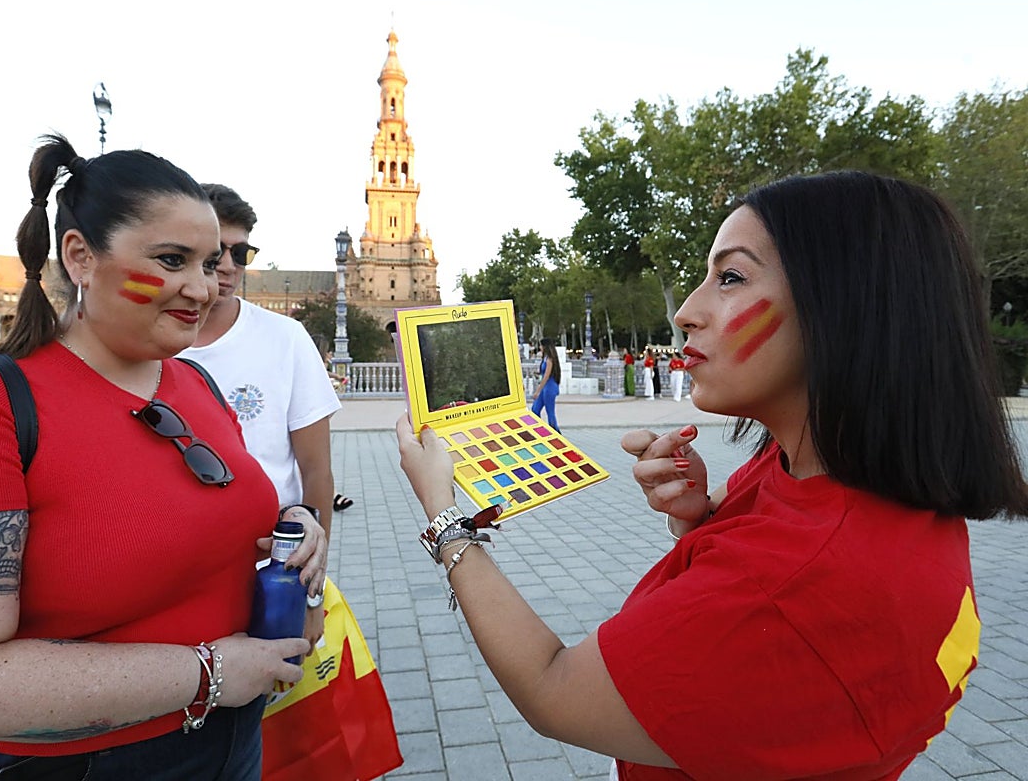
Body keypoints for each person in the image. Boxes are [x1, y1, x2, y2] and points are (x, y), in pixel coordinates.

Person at [396, 170, 1028, 779]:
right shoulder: (826, 471)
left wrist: (446, 519)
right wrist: (705, 519)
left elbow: (552, 691)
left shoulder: (790, 586)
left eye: (730, 277)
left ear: (840, 307)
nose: (687, 313)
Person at [0, 134, 327, 781]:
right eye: (171, 259)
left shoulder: (197, 387)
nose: (202, 286)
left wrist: (297, 537)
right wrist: (208, 671)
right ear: (79, 257)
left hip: (227, 744)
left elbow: (211, 531)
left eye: (212, 262)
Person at [179, 182, 343, 641]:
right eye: (214, 255)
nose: (228, 267)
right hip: (176, 577)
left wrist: (313, 593)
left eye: (240, 253)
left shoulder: (285, 338)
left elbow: (317, 472)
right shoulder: (149, 345)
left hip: (271, 572)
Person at [529, 337, 561, 430]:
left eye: (541, 345)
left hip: (549, 388)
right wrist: (538, 373)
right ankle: (540, 430)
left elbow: (547, 376)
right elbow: (544, 373)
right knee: (535, 409)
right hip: (545, 387)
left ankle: (556, 433)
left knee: (550, 412)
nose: (540, 347)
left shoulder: (550, 359)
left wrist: (537, 391)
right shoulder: (545, 358)